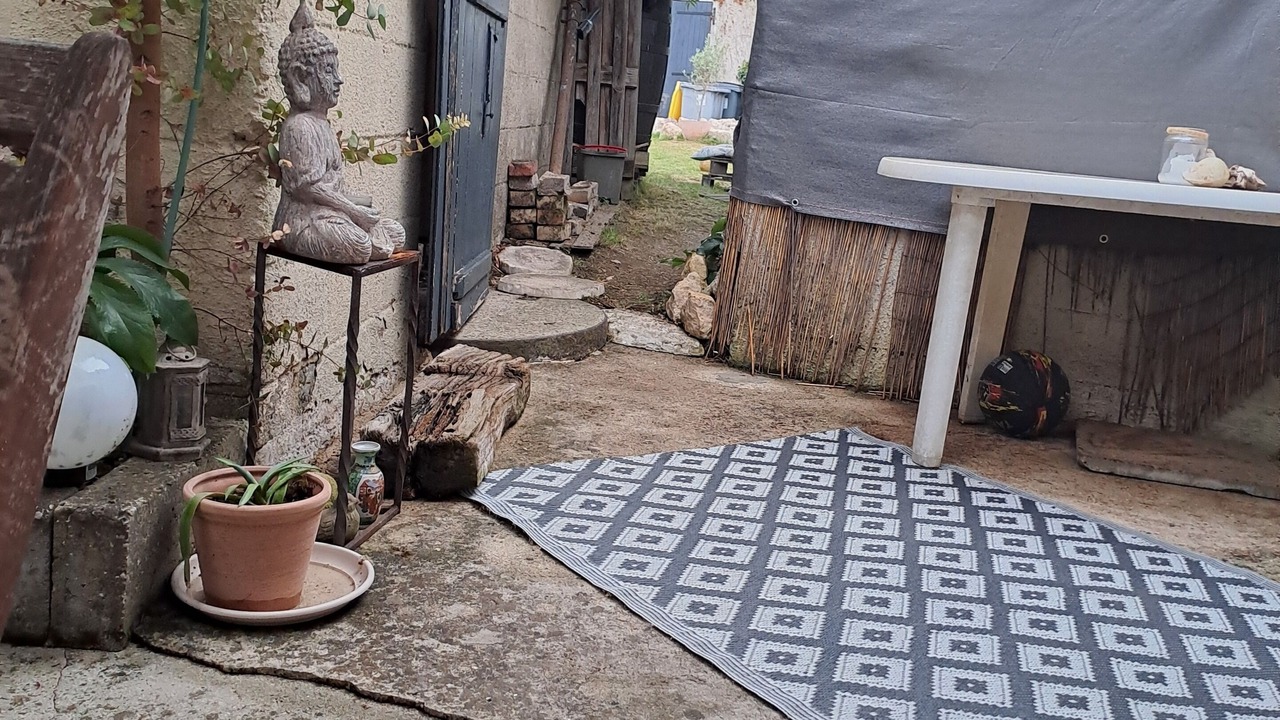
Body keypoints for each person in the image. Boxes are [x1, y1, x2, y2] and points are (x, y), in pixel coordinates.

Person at [272, 0, 405, 264]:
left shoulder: (323, 124)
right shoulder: (298, 127)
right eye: (329, 71)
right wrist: (354, 211)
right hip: (301, 221)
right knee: (359, 245)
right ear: (300, 78)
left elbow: (334, 187)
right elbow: (309, 190)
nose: (339, 79)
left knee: (396, 232)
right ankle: (363, 237)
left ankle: (366, 234)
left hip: (333, 214)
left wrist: (360, 206)